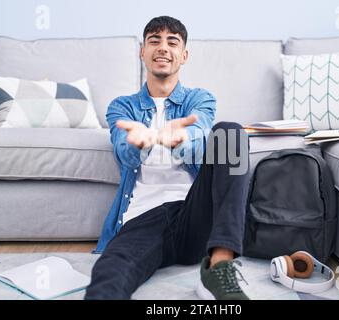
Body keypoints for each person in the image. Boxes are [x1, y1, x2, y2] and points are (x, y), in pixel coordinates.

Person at [85, 16, 251, 300]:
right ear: (142, 51)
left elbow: (200, 135)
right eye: (154, 41)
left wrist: (180, 139)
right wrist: (140, 144)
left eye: (172, 41)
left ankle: (219, 266)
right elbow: (124, 152)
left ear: (183, 55)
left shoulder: (200, 99)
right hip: (143, 218)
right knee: (110, 272)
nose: (163, 48)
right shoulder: (122, 107)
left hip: (193, 214)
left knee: (230, 133)